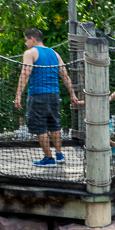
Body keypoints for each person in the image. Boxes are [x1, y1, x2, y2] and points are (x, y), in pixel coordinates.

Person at [13, 29, 82, 167]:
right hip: (54, 95)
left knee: (40, 127)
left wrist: (18, 95)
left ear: (32, 38)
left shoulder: (30, 53)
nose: (25, 43)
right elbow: (64, 75)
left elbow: (25, 74)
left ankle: (49, 158)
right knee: (54, 125)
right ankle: (59, 154)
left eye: (26, 40)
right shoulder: (54, 53)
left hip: (37, 94)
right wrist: (72, 94)